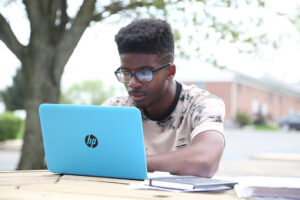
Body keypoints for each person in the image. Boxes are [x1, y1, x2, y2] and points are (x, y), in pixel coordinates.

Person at [102, 19, 225, 177]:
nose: (132, 83)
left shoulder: (201, 105)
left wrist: (129, 163)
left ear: (170, 72)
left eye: (144, 73)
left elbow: (205, 162)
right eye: (126, 73)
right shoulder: (115, 108)